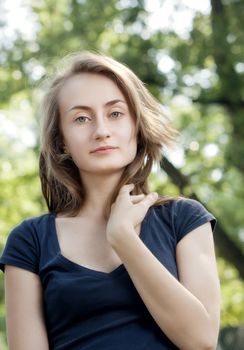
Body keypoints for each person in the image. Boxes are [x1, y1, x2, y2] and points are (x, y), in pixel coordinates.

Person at [0, 51, 220, 350]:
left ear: (136, 126)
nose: (101, 131)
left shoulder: (183, 219)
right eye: (81, 118)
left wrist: (123, 238)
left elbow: (202, 341)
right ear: (62, 139)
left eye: (115, 113)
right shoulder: (30, 241)